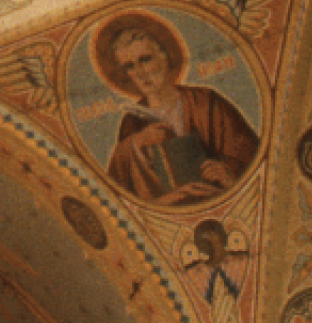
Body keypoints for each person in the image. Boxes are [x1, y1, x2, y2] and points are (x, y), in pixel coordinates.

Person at [96, 14, 260, 207]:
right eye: (130, 66)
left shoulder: (206, 102)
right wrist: (136, 144)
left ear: (164, 57)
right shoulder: (132, 121)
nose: (140, 72)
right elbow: (123, 191)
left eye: (145, 60)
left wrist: (227, 171)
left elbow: (250, 155)